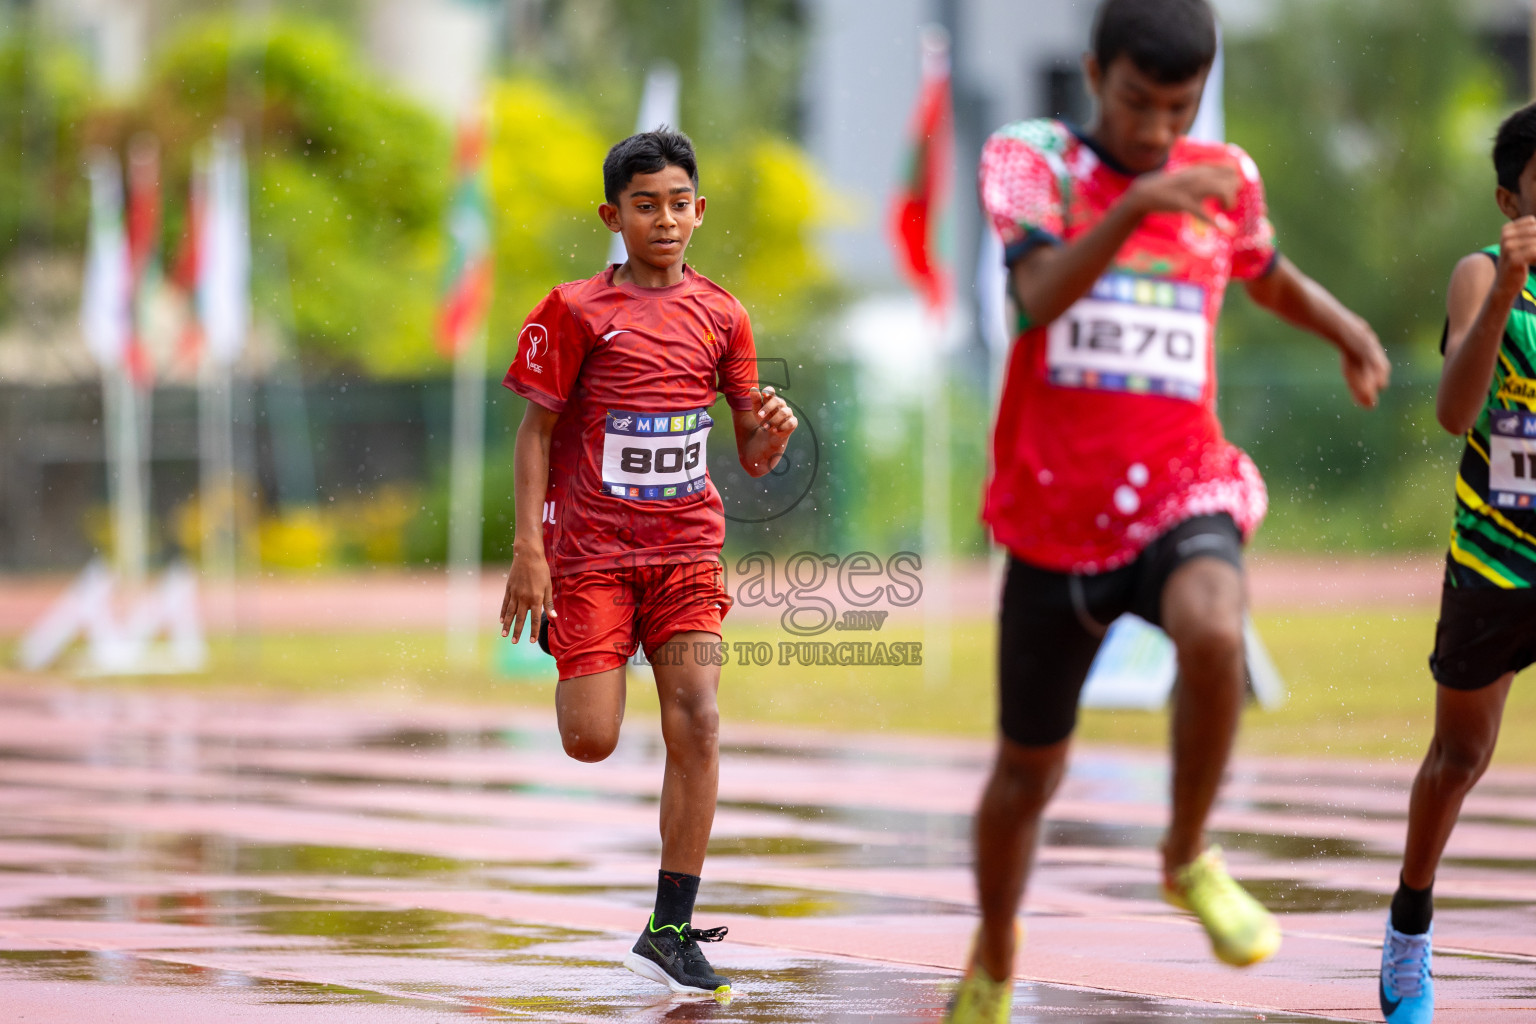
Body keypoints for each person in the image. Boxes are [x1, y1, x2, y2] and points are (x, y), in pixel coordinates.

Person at [946, 0, 1392, 1020]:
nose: (1154, 129)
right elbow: (1038, 297)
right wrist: (1140, 202)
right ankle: (997, 949)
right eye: (1136, 102)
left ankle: (1188, 853)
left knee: (1212, 625)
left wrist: (1346, 327)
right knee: (1025, 773)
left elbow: (1264, 274)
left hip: (1182, 483)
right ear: (1096, 72)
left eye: (1176, 108)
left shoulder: (1222, 177)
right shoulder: (1036, 162)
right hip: (1053, 514)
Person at [498, 129, 798, 998]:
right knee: (591, 741)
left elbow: (751, 453)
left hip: (685, 554)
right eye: (644, 205)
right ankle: (585, 645)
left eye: (678, 204)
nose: (664, 220)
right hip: (588, 555)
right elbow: (536, 433)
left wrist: (770, 436)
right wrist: (530, 553)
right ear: (613, 216)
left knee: (698, 721)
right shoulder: (574, 310)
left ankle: (670, 927)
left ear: (699, 211)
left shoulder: (724, 314)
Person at [1377, 102, 1536, 1024]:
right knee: (1460, 756)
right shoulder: (1481, 275)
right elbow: (1453, 413)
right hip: (1496, 561)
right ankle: (1410, 922)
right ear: (1508, 198)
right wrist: (1510, 289)